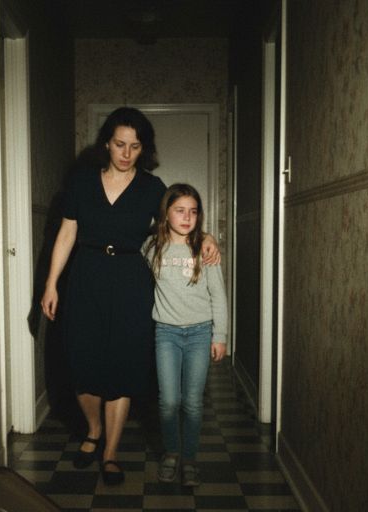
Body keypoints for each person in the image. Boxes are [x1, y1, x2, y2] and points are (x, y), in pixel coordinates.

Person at [40, 107, 219, 485]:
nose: (126, 153)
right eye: (119, 144)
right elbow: (67, 234)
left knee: (121, 365)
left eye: (134, 146)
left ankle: (110, 452)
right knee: (82, 363)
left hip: (130, 282)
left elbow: (178, 221)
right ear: (106, 143)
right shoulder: (81, 182)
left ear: (143, 149)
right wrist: (51, 283)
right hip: (86, 277)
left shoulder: (152, 188)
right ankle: (93, 429)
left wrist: (206, 237)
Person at [143, 183, 228, 487]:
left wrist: (220, 335)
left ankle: (189, 458)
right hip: (166, 333)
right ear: (166, 213)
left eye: (193, 211)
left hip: (200, 333)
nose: (187, 217)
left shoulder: (205, 250)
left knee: (192, 402)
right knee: (168, 401)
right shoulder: (151, 247)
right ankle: (172, 453)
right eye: (179, 210)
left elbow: (218, 296)